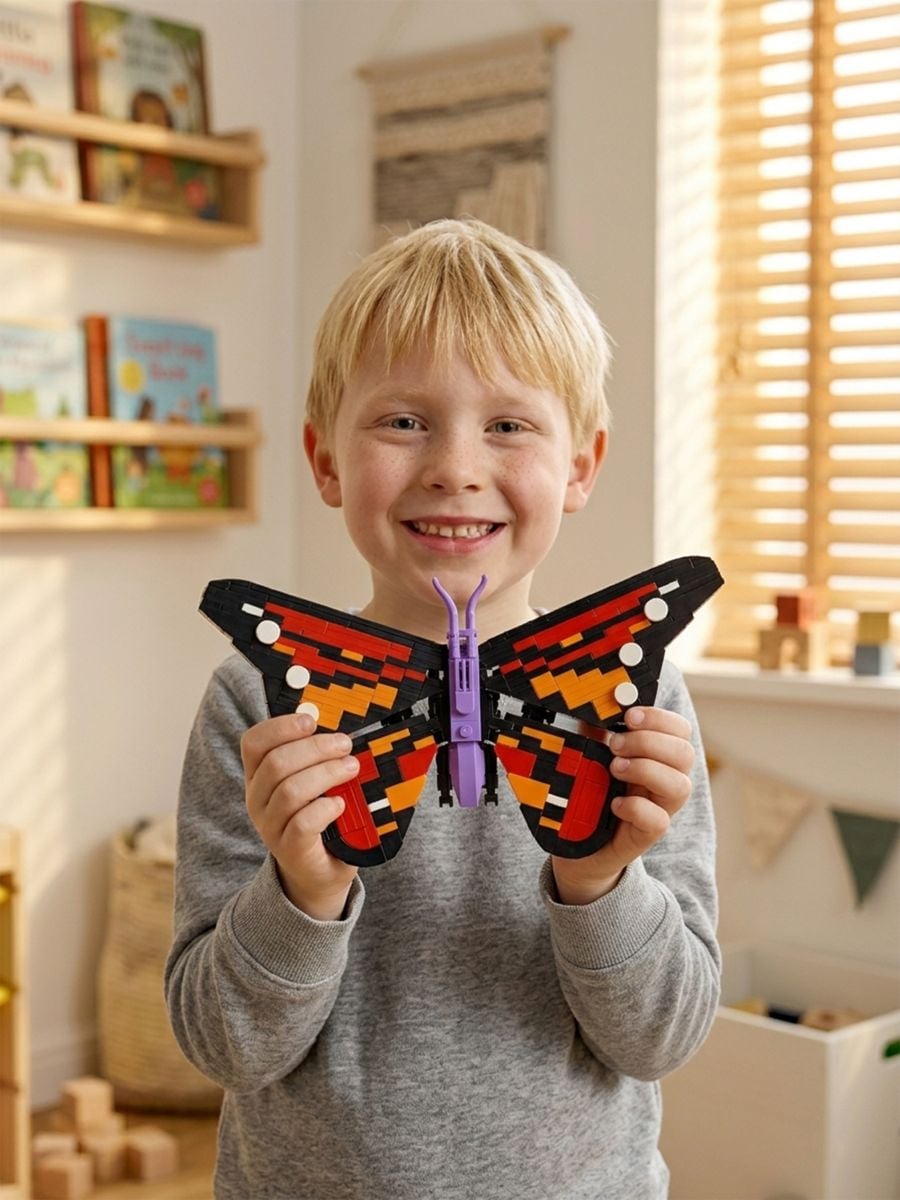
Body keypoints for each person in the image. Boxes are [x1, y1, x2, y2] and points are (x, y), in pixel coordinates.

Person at [165, 218, 720, 1200]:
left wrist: (599, 879)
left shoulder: (634, 699)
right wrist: (302, 889)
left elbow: (662, 1038)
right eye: (403, 421)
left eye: (509, 425)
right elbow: (225, 1047)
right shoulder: (259, 699)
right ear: (326, 461)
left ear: (581, 466)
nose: (455, 467)